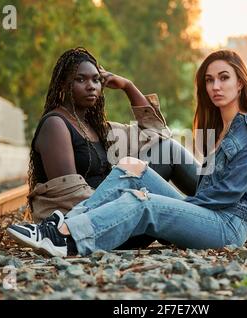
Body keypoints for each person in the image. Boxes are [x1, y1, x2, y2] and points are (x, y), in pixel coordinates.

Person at [7, 49, 247, 257]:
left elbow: (230, 193)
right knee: (130, 166)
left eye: (224, 78)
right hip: (212, 216)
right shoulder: (224, 128)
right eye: (210, 80)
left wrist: (184, 207)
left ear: (240, 84)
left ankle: (67, 241)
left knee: (142, 201)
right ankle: (62, 228)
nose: (215, 86)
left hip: (225, 226)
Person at [24, 47, 200, 248]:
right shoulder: (56, 125)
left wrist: (128, 86)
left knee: (167, 149)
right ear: (64, 84)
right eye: (81, 79)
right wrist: (127, 201)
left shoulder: (96, 128)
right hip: (90, 227)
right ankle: (207, 221)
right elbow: (72, 199)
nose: (91, 86)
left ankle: (214, 213)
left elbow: (157, 132)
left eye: (96, 80)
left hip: (115, 214)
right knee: (159, 175)